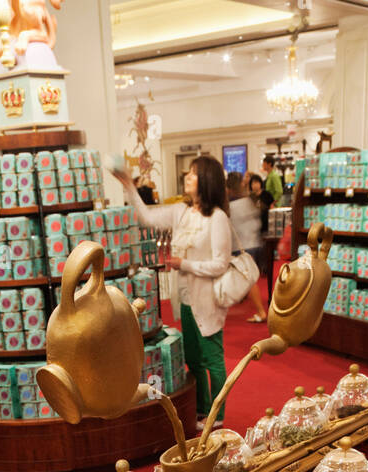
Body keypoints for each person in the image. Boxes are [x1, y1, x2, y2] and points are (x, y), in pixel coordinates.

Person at [114, 154, 231, 429]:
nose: (187, 177)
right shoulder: (181, 211)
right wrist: (129, 186)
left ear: (207, 180)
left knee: (212, 358)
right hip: (186, 299)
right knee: (193, 358)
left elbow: (221, 264)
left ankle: (218, 414)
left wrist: (184, 264)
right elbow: (147, 217)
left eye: (193, 173)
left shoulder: (217, 218)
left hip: (208, 299)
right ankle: (203, 409)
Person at [225, 170, 267, 323]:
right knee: (247, 276)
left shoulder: (230, 205)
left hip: (241, 245)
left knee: (248, 279)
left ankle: (261, 312)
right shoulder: (248, 201)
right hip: (252, 242)